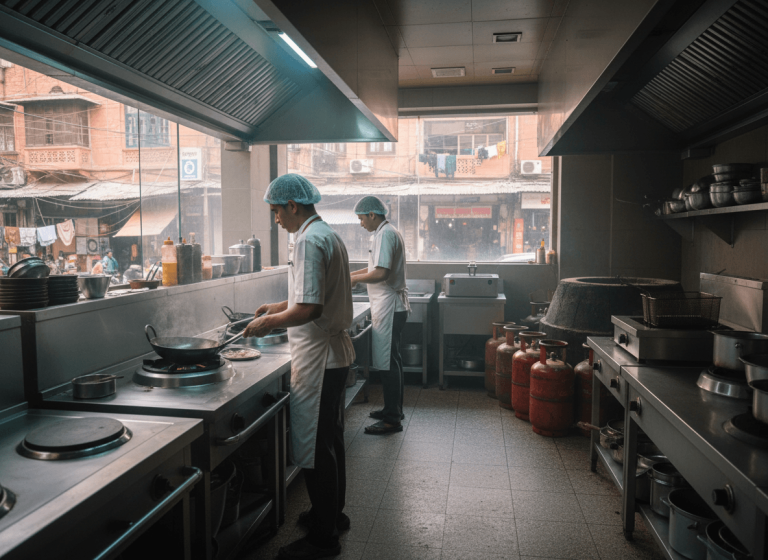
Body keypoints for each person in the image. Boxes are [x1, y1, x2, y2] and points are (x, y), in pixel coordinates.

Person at [242, 173, 354, 560]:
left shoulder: (307, 239)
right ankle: (332, 516)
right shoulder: (325, 234)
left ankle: (323, 540)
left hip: (319, 358)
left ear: (293, 206)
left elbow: (309, 309)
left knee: (315, 447)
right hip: (332, 355)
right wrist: (277, 307)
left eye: (276, 211)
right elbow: (309, 296)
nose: (275, 219)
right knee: (330, 441)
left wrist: (265, 324)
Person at [350, 196, 410, 435]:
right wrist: (349, 273)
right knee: (392, 360)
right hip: (390, 305)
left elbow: (381, 274)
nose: (361, 223)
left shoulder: (385, 235)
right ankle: (392, 409)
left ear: (372, 215)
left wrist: (352, 279)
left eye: (362, 219)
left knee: (387, 363)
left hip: (390, 306)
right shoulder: (384, 233)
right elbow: (373, 267)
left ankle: (392, 420)